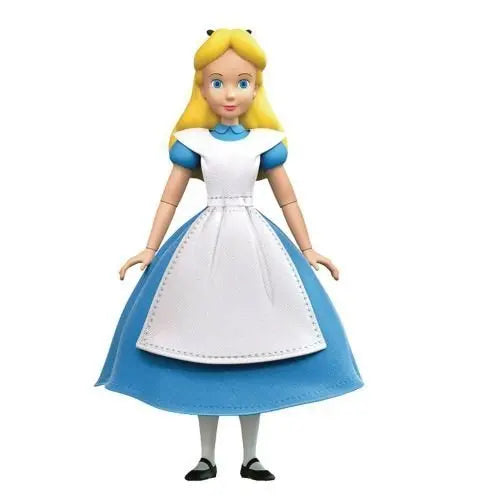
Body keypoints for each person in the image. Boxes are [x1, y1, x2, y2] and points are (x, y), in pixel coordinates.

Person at [95, 28, 363, 481]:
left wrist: (308, 248)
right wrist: (149, 248)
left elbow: (288, 200)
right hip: (202, 248)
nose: (230, 93)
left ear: (257, 87)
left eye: (242, 82)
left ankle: (251, 456)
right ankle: (207, 456)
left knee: (253, 346)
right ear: (202, 88)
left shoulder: (265, 144)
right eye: (218, 82)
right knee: (204, 345)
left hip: (256, 248)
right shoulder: (194, 143)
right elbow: (169, 199)